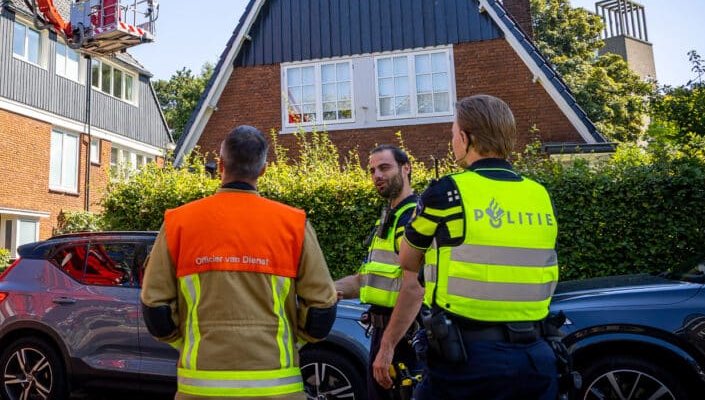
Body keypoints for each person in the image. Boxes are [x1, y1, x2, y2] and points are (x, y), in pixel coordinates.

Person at [373, 94, 559, 399]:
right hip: (536, 356)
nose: (453, 142)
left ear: (465, 137)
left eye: (453, 134)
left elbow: (407, 260)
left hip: (466, 360)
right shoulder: (540, 195)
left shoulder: (447, 192)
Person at [140, 125, 338, 399]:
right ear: (263, 170)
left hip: (200, 388)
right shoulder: (294, 225)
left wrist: (186, 342)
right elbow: (321, 308)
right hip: (277, 387)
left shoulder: (178, 224)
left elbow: (155, 308)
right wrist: (292, 341)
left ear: (220, 165)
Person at [334, 145, 422, 400]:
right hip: (386, 335)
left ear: (406, 168)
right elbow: (366, 280)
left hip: (404, 341)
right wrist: (327, 290)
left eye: (384, 167)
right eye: (372, 170)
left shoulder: (411, 219)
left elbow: (415, 287)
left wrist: (387, 347)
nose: (377, 176)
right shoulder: (390, 217)